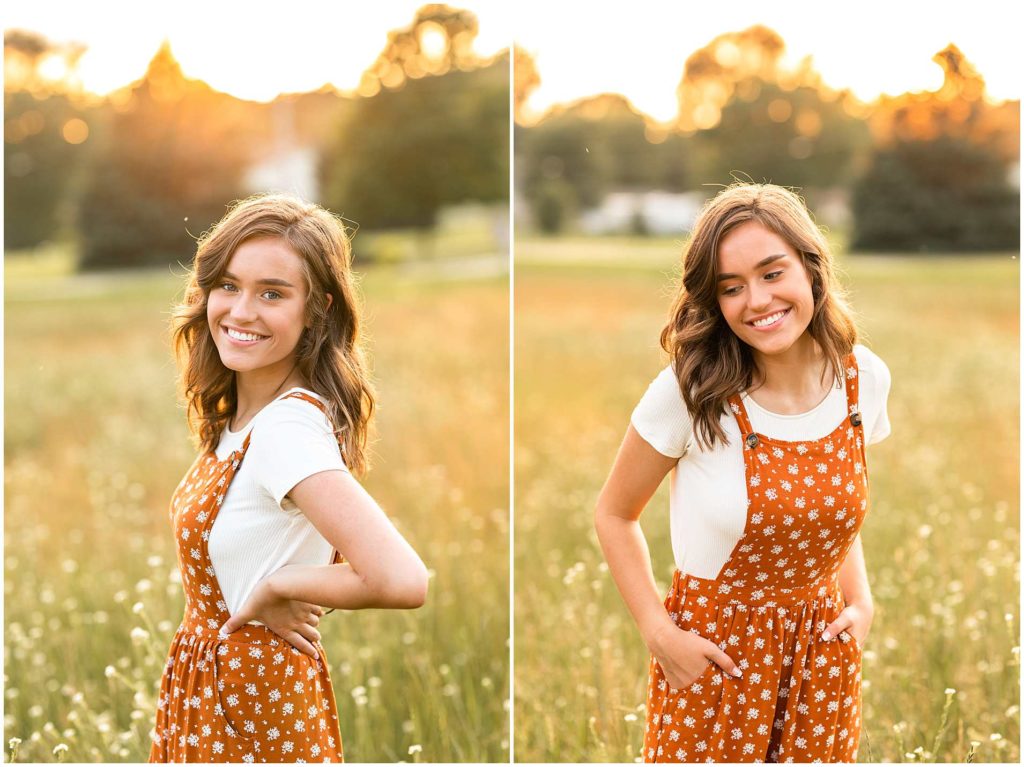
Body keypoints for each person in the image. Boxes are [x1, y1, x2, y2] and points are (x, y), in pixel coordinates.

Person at [594, 183, 891, 763]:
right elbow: (613, 513)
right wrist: (661, 635)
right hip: (716, 661)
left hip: (821, 659)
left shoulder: (863, 379)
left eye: (772, 273)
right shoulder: (692, 391)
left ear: (811, 268)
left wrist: (861, 602)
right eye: (731, 288)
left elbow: (828, 515)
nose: (756, 301)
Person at [150, 194, 429, 763]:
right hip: (214, 687)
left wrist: (281, 586)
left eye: (272, 293)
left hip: (255, 702)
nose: (241, 311)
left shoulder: (286, 428)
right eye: (227, 286)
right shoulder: (244, 417)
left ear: (317, 309)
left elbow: (403, 580)